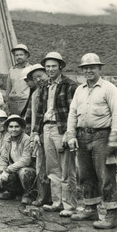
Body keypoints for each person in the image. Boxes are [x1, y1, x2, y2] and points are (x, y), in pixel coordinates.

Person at [67, 53, 117, 229]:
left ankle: (111, 215)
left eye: (92, 67)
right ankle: (90, 208)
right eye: (85, 68)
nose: (88, 70)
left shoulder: (109, 89)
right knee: (85, 175)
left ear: (99, 68)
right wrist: (70, 135)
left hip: (103, 137)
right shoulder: (79, 90)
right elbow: (72, 113)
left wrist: (114, 139)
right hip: (82, 136)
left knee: (106, 176)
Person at [35, 52, 78, 217]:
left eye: (54, 66)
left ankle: (69, 206)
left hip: (62, 129)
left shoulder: (70, 85)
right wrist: (36, 132)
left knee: (67, 169)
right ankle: (57, 202)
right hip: (47, 129)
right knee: (52, 169)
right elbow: (40, 111)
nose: (50, 69)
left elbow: (73, 112)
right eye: (48, 66)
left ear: (61, 66)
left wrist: (70, 132)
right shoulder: (45, 86)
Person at [0, 114, 36, 205]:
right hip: (14, 169)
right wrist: (0, 172)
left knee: (24, 172)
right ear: (7, 128)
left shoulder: (27, 139)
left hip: (28, 169)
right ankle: (12, 192)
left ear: (22, 128)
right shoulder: (8, 140)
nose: (14, 129)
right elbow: (3, 158)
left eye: (17, 126)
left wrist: (8, 170)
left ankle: (28, 194)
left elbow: (26, 160)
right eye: (11, 127)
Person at [27, 64, 51, 207]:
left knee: (52, 167)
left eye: (40, 76)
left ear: (47, 75)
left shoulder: (51, 90)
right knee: (40, 166)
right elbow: (31, 117)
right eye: (35, 78)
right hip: (38, 134)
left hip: (50, 132)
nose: (38, 80)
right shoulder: (35, 93)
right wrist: (32, 135)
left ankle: (53, 198)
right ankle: (42, 197)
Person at [6, 44, 32, 115]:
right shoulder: (12, 70)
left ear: (26, 55)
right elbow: (8, 87)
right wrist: (6, 102)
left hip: (26, 102)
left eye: (21, 55)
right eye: (16, 55)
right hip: (13, 102)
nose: (19, 57)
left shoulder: (31, 69)